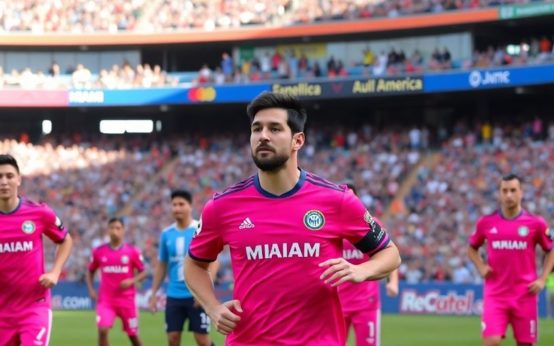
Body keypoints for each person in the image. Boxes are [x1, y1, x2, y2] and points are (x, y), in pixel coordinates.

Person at [184, 92, 401, 345]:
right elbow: (193, 265)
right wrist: (212, 307)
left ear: (298, 140)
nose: (263, 135)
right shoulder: (221, 206)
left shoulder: (336, 199)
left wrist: (361, 270)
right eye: (257, 129)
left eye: (275, 128)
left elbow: (390, 254)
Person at [468, 174, 554, 346]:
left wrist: (543, 279)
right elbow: (472, 247)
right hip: (495, 294)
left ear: (521, 192)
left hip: (525, 294)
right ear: (499, 194)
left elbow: (551, 250)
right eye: (504, 191)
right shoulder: (486, 222)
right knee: (491, 341)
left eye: (513, 190)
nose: (509, 195)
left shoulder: (536, 223)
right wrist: (481, 266)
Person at [0, 154, 73, 346]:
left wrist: (55, 272)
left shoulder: (39, 212)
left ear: (18, 179)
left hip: (34, 308)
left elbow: (66, 240)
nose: (4, 182)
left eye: (9, 176)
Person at [149, 190, 217, 346]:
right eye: (174, 205)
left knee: (202, 340)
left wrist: (205, 290)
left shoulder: (200, 229)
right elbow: (162, 265)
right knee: (172, 338)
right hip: (174, 295)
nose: (177, 208)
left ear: (190, 206)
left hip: (196, 295)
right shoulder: (167, 234)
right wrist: (153, 293)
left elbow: (214, 261)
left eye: (181, 204)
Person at [339, 182, 399, 346]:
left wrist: (392, 282)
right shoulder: (330, 229)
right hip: (337, 305)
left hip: (366, 303)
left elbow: (388, 254)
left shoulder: (371, 225)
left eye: (351, 197)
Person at [86, 217, 147, 346]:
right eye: (112, 228)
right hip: (106, 300)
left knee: (133, 336)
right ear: (108, 230)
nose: (114, 231)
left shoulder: (132, 251)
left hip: (127, 300)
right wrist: (91, 289)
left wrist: (132, 280)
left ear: (123, 230)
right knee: (102, 330)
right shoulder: (99, 251)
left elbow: (144, 272)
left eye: (118, 228)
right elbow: (90, 271)